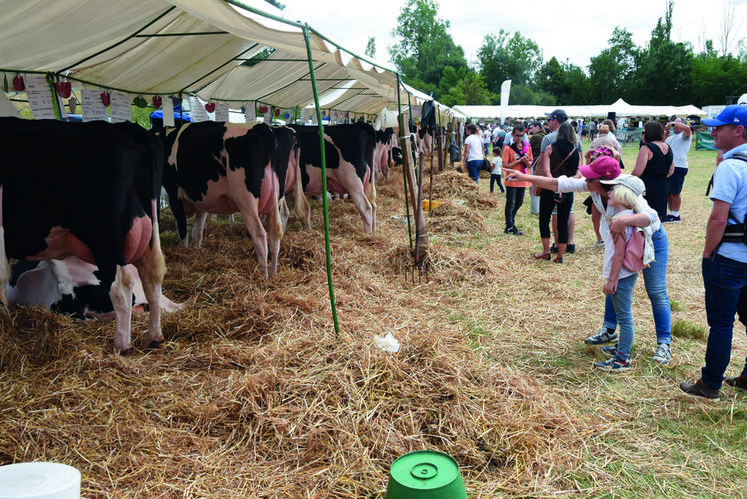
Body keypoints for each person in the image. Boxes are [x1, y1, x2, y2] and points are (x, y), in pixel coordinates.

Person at [505, 155, 672, 365]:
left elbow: (652, 217)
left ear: (603, 182)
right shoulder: (594, 188)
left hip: (650, 238)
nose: (585, 180)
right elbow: (559, 183)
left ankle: (664, 343)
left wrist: (624, 220)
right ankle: (609, 330)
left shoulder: (623, 190)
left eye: (590, 177)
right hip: (625, 239)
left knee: (656, 291)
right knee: (614, 283)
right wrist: (525, 177)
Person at [680, 105, 747, 400]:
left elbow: (719, 218)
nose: (713, 131)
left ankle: (710, 384)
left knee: (721, 323)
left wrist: (708, 255)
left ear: (739, 130)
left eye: (720, 127)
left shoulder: (731, 167)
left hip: (729, 257)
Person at [594, 175, 652, 371]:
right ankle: (622, 349)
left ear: (622, 195)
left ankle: (622, 359)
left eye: (613, 190)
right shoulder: (628, 216)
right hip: (627, 273)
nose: (608, 193)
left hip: (621, 274)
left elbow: (619, 253)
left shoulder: (619, 220)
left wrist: (612, 279)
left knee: (624, 317)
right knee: (623, 315)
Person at [539, 109, 583, 255]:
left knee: (546, 218)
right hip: (568, 188)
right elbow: (580, 170)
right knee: (566, 218)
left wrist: (551, 183)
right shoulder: (576, 147)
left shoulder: (549, 144)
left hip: (552, 186)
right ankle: (563, 252)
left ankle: (550, 249)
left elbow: (544, 168)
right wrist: (567, 183)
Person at [585, 121, 622, 249]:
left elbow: (589, 158)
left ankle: (600, 239)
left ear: (600, 131)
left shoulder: (595, 142)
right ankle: (612, 239)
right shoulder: (614, 142)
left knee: (596, 211)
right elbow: (619, 156)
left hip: (597, 174)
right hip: (609, 175)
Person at [632, 120, 673, 222]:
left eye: (643, 132)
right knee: (658, 220)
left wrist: (628, 180)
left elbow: (638, 171)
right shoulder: (668, 147)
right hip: (663, 185)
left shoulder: (646, 148)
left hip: (647, 186)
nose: (642, 135)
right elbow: (671, 170)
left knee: (645, 219)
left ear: (650, 133)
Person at [502, 123, 533, 235]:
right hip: (511, 179)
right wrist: (519, 161)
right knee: (510, 203)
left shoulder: (527, 147)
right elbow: (505, 165)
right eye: (517, 135)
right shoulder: (508, 149)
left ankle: (511, 222)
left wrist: (525, 161)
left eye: (521, 135)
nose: (519, 138)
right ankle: (509, 226)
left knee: (519, 203)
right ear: (512, 135)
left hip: (523, 178)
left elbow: (529, 164)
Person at [663, 117, 692, 223]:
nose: (675, 126)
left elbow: (687, 128)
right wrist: (666, 132)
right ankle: (671, 213)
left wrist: (673, 123)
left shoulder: (684, 136)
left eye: (678, 124)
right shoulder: (670, 138)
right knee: (669, 192)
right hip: (669, 167)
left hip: (679, 166)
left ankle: (676, 215)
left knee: (675, 192)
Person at [528, 121, 546, 215]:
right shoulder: (546, 135)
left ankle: (535, 210)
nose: (531, 130)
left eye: (532, 128)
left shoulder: (536, 137)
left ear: (537, 127)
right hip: (546, 165)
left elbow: (528, 149)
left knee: (534, 187)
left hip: (536, 164)